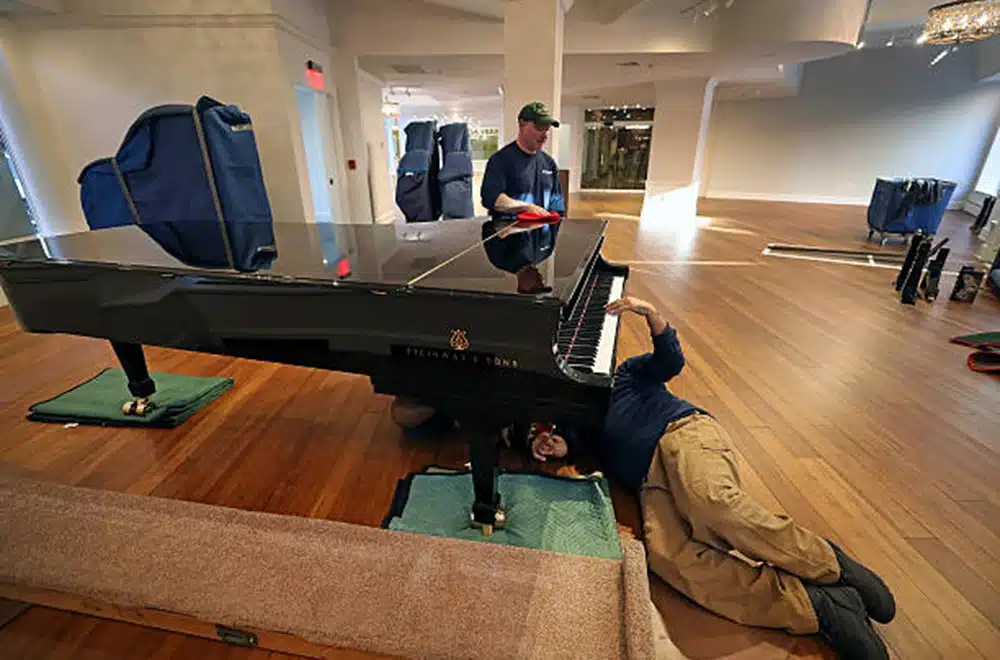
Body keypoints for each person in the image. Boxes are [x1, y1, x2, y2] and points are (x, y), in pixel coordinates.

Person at [514, 296, 896, 660]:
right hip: (650, 483)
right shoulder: (579, 428)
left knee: (711, 502)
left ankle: (832, 564)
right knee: (669, 558)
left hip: (681, 434)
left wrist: (654, 318)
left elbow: (669, 361)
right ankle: (818, 606)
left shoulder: (627, 375)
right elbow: (562, 441)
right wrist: (557, 445)